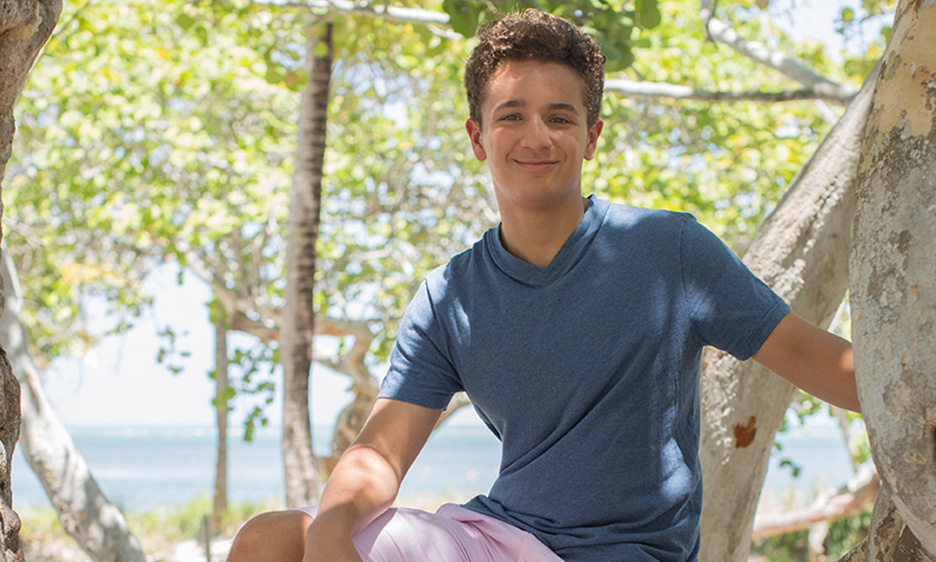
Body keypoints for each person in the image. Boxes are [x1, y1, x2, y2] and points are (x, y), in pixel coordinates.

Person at [227, 9, 858, 562]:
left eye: (560, 116)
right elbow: (380, 454)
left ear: (592, 136)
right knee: (270, 541)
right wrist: (333, 535)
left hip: (627, 552)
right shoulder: (450, 297)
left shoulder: (670, 251)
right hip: (498, 539)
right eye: (512, 116)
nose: (537, 136)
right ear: (478, 138)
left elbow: (817, 360)